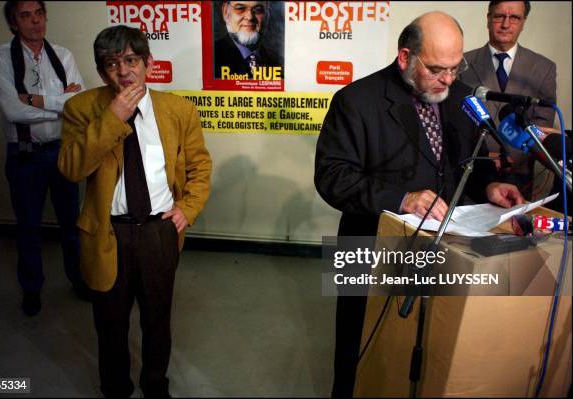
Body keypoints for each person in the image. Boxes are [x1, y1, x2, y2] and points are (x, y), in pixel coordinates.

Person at [314, 12, 523, 397]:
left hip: (443, 244)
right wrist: (401, 198)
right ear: (405, 57)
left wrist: (491, 184)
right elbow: (331, 178)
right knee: (357, 346)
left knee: (419, 344)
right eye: (436, 69)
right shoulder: (355, 100)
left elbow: (466, 164)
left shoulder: (461, 96)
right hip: (368, 241)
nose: (448, 79)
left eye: (455, 67)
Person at [58, 25, 212, 398]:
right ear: (100, 71)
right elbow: (71, 168)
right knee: (109, 325)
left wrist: (187, 210)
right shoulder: (81, 108)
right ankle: (115, 388)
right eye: (112, 64)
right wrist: (113, 117)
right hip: (107, 234)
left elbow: (200, 168)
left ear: (147, 63)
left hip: (159, 230)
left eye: (131, 60)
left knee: (158, 320)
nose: (123, 71)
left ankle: (156, 385)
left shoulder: (178, 109)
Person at [0, 0, 85, 317]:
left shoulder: (63, 55)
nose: (35, 21)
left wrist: (32, 98)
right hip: (25, 155)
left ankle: (78, 279)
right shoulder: (2, 57)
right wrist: (61, 100)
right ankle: (32, 289)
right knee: (28, 227)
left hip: (62, 150)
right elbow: (12, 111)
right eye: (25, 16)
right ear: (14, 23)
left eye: (39, 14)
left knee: (72, 223)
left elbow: (78, 105)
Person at [459, 1, 557, 198]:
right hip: (471, 173)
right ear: (488, 19)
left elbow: (541, 125)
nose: (506, 24)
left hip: (520, 174)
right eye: (499, 16)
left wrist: (510, 156)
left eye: (514, 18)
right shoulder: (460, 64)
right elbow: (456, 123)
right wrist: (485, 158)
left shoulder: (544, 68)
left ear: (523, 22)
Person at [214, 0, 283, 79]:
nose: (250, 17)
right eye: (240, 8)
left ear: (267, 14)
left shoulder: (278, 62)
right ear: (225, 12)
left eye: (258, 10)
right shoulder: (212, 59)